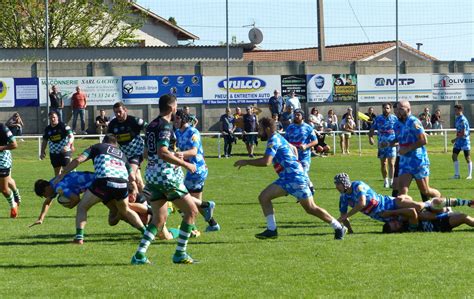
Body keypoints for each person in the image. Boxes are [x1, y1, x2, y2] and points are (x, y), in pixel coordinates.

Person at [234, 117, 347, 240]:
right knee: (264, 197)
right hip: (289, 178)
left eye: (260, 128)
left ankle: (338, 227)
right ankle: (271, 230)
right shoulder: (278, 136)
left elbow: (266, 161)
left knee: (311, 208)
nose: (258, 131)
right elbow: (293, 148)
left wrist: (246, 161)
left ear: (267, 129)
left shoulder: (273, 140)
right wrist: (295, 163)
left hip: (294, 178)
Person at [131, 94, 200, 265]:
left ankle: (139, 254)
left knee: (159, 218)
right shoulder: (165, 126)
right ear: (171, 107)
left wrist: (169, 155)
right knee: (191, 211)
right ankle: (180, 253)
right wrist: (184, 164)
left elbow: (147, 153)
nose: (177, 108)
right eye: (176, 105)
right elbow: (162, 151)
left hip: (152, 175)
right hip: (166, 177)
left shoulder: (151, 125)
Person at [54, 134, 146, 244]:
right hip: (122, 184)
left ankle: (79, 237)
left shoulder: (97, 147)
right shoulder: (122, 154)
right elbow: (132, 177)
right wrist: (134, 189)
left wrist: (62, 174)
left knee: (82, 207)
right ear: (115, 144)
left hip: (104, 181)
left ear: (103, 141)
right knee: (125, 210)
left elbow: (78, 160)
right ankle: (145, 233)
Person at [333, 173, 438, 233]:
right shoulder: (343, 198)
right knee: (418, 215)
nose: (336, 187)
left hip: (389, 203)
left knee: (418, 206)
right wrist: (350, 231)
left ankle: (435, 203)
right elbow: (343, 216)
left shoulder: (358, 185)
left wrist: (346, 216)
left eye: (338, 184)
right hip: (383, 216)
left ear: (345, 183)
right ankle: (443, 216)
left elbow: (362, 203)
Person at [175, 109, 220, 232]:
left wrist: (178, 155)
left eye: (177, 118)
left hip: (197, 169)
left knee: (180, 197)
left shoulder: (193, 132)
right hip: (190, 170)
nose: (175, 121)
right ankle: (213, 224)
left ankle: (191, 226)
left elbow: (194, 152)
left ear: (183, 119)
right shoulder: (178, 132)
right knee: (196, 202)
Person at [386, 100, 441, 202]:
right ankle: (406, 215)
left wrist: (407, 149)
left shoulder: (414, 122)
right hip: (405, 162)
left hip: (418, 161)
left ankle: (443, 201)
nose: (398, 111)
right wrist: (389, 143)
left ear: (408, 109)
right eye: (397, 109)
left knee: (426, 191)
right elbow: (400, 138)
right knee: (401, 193)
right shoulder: (397, 124)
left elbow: (424, 140)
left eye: (401, 109)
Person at [31, 171, 96, 226]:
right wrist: (40, 219)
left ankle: (79, 236)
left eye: (44, 194)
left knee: (81, 207)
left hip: (95, 183)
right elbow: (47, 203)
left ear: (46, 188)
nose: (45, 197)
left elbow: (76, 199)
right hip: (94, 177)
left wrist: (71, 205)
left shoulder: (59, 188)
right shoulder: (52, 182)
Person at [108, 102, 147, 193]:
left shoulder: (134, 121)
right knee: (138, 180)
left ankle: (139, 200)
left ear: (125, 110)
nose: (118, 114)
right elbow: (109, 140)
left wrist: (147, 145)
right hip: (124, 155)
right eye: (116, 112)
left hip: (137, 152)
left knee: (130, 175)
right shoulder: (113, 124)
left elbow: (149, 130)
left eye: (120, 111)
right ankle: (146, 201)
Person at [285, 109, 318, 193]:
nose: (296, 116)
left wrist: (306, 146)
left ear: (302, 116)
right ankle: (303, 191)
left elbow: (315, 141)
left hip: (304, 156)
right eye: (295, 114)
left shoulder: (308, 127)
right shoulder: (290, 127)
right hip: (292, 156)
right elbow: (285, 141)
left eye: (298, 115)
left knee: (303, 172)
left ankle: (309, 188)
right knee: (296, 174)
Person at [369, 103, 398, 189]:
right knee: (383, 163)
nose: (386, 110)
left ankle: (392, 181)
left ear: (390, 109)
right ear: (382, 109)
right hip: (381, 144)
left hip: (392, 144)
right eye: (384, 108)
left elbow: (400, 130)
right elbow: (372, 129)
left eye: (388, 108)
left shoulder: (394, 119)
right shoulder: (378, 119)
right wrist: (370, 137)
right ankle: (385, 180)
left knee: (392, 163)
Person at [40, 111, 74, 176]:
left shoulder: (64, 126)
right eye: (50, 118)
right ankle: (58, 186)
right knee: (57, 174)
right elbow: (44, 141)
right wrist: (42, 152)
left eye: (54, 117)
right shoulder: (47, 129)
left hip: (64, 152)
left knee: (67, 171)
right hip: (54, 153)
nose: (52, 119)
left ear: (57, 117)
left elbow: (71, 136)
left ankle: (70, 185)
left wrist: (68, 145)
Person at [0, 123, 20, 218]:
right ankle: (16, 193)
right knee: (8, 181)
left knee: (3, 189)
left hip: (2, 160)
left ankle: (13, 205)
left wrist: (2, 148)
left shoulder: (3, 128)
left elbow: (14, 144)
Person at [451, 104, 472, 180]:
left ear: (460, 110)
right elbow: (458, 130)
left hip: (464, 141)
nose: (455, 111)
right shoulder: (457, 119)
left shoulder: (463, 120)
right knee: (454, 156)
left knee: (467, 158)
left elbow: (463, 133)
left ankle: (469, 175)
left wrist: (455, 139)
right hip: (458, 141)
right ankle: (457, 175)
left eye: (456, 110)